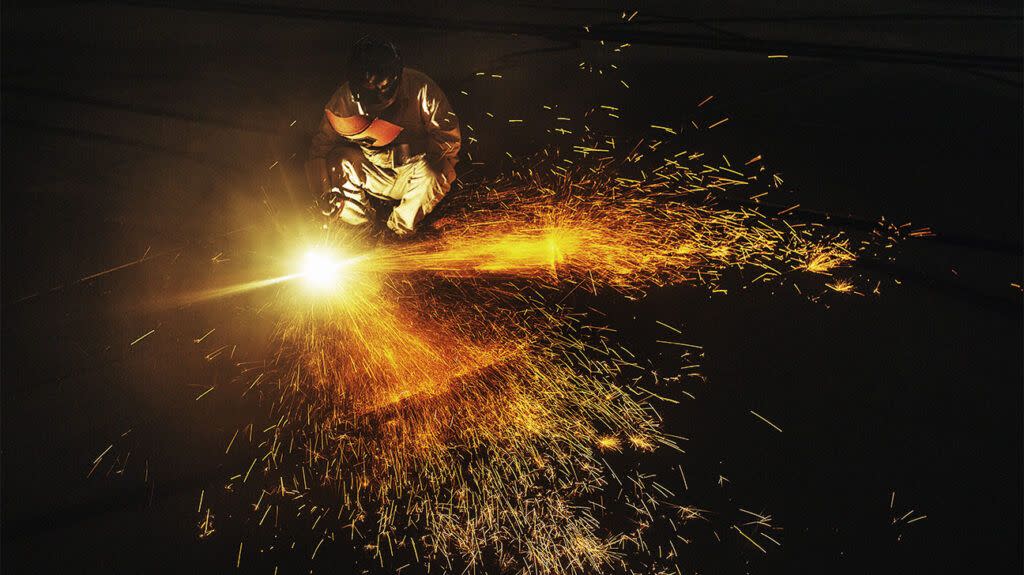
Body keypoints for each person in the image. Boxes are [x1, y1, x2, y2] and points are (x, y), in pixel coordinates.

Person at [306, 37, 461, 237]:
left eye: (383, 87)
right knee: (337, 160)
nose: (378, 96)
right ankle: (362, 231)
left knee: (438, 167)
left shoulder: (422, 89)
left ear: (396, 77)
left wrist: (414, 151)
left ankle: (397, 231)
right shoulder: (342, 102)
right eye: (368, 89)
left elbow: (449, 143)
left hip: (413, 173)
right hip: (373, 172)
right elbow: (319, 150)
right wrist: (324, 194)